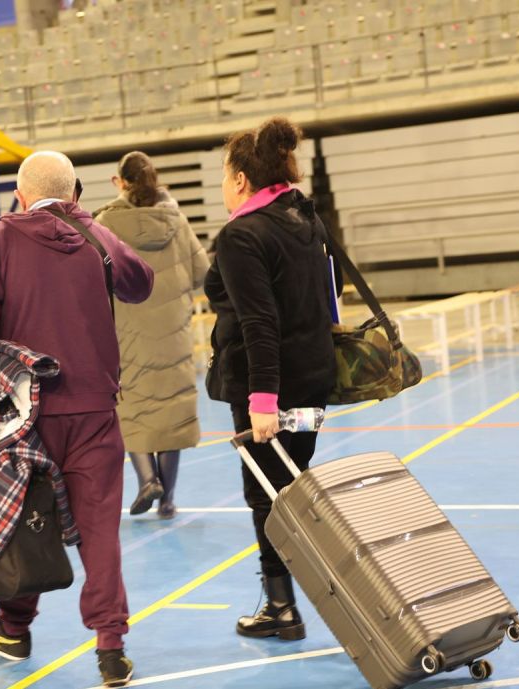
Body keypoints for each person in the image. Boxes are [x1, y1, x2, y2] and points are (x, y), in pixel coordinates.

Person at [0, 151, 154, 687]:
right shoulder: (95, 237)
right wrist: (95, 230)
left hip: (26, 413)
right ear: (75, 194)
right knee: (99, 531)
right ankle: (111, 647)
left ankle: (15, 627)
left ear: (19, 194)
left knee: (25, 522)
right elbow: (141, 283)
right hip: (94, 410)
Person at [203, 118, 336, 641]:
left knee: (268, 496)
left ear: (239, 180)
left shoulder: (241, 234)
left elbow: (259, 324)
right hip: (315, 380)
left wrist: (262, 402)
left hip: (270, 389)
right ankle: (287, 600)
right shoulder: (304, 216)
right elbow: (331, 292)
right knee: (292, 486)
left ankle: (283, 607)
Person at [94, 151, 208, 519]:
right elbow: (201, 273)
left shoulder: (104, 225)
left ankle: (147, 479)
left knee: (132, 410)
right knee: (171, 413)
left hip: (126, 333)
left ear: (120, 182)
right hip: (172, 333)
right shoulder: (177, 220)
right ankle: (168, 500)